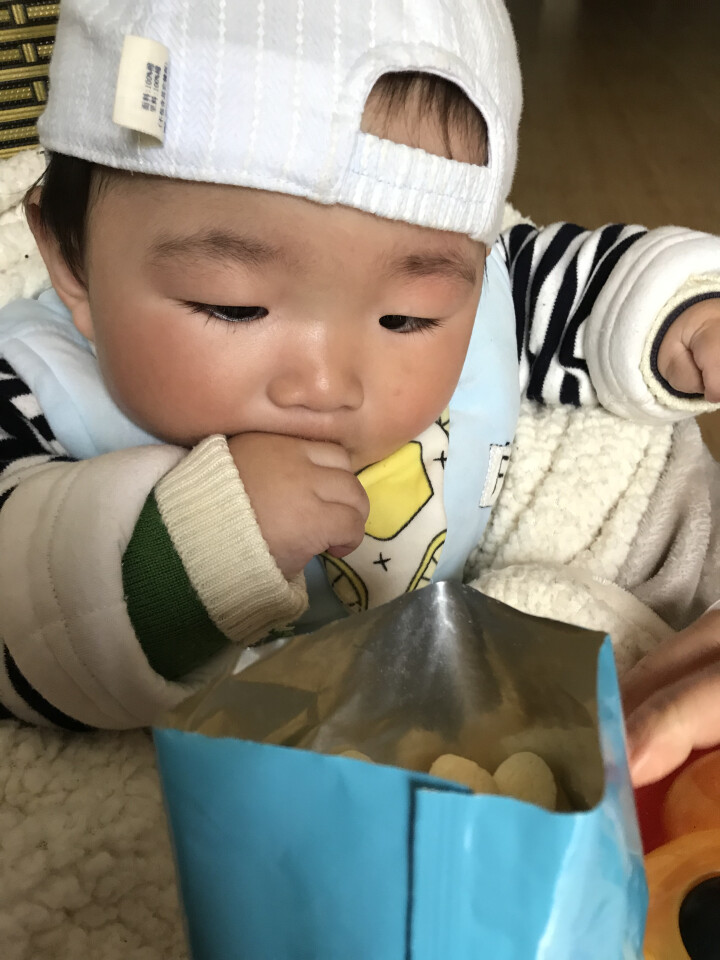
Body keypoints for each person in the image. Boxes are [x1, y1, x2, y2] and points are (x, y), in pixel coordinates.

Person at [0, 0, 718, 786]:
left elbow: (563, 280)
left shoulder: (477, 291)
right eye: (235, 306)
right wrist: (198, 548)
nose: (326, 383)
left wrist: (681, 315)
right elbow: (19, 620)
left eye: (405, 318)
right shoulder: (34, 390)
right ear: (71, 262)